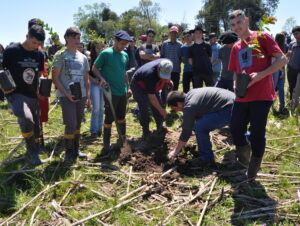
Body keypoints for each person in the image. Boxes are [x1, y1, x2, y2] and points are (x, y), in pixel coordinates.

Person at [228, 10, 288, 180]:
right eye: (233, 25)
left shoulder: (262, 37)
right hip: (242, 95)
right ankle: (244, 158)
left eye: (239, 22)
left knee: (256, 132)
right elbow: (235, 71)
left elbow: (283, 60)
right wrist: (235, 83)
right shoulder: (236, 47)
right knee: (235, 128)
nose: (237, 27)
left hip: (262, 95)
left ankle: (252, 172)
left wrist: (261, 74)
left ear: (246, 21)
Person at [2, 25, 46, 165]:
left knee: (36, 126)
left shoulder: (39, 54)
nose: (36, 46)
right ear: (27, 36)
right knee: (27, 119)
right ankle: (32, 153)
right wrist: (4, 87)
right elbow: (1, 70)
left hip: (32, 94)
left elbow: (38, 74)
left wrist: (40, 88)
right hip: (15, 93)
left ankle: (34, 150)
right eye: (34, 42)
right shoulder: (12, 50)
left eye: (39, 44)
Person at [166, 88, 235, 165]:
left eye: (174, 108)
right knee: (199, 123)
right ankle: (246, 142)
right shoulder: (191, 93)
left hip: (230, 109)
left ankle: (207, 159)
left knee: (200, 126)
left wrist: (176, 151)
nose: (176, 111)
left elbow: (186, 132)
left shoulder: (189, 106)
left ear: (179, 103)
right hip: (235, 101)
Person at [52, 27, 91, 164]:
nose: (76, 40)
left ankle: (76, 150)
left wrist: (88, 97)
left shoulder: (83, 58)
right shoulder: (60, 55)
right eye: (74, 37)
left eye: (78, 38)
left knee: (78, 123)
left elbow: (86, 79)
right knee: (70, 123)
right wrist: (67, 95)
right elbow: (55, 78)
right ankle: (68, 152)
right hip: (66, 96)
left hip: (81, 95)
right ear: (67, 38)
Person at [92, 30, 131, 153]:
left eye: (126, 44)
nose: (124, 46)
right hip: (110, 92)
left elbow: (124, 71)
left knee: (122, 117)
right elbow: (94, 68)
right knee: (109, 118)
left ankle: (122, 140)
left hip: (122, 91)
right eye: (122, 43)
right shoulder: (106, 53)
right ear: (116, 41)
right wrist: (102, 79)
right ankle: (106, 144)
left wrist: (128, 87)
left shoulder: (125, 55)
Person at [131, 59, 173, 139]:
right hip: (138, 86)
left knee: (158, 106)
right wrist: (162, 110)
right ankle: (146, 132)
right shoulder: (150, 75)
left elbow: (166, 72)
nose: (163, 77)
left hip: (151, 84)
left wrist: (168, 80)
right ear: (158, 68)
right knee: (144, 109)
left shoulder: (167, 64)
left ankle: (160, 127)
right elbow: (152, 98)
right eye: (162, 75)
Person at [89, 41, 106, 138]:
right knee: (96, 107)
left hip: (102, 84)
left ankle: (100, 128)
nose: (99, 50)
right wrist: (93, 80)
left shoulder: (104, 58)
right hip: (94, 83)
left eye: (101, 48)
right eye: (97, 48)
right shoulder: (90, 59)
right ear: (94, 49)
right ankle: (93, 130)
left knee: (101, 107)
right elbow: (86, 73)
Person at [160, 26, 182, 90]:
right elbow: (162, 56)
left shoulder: (180, 44)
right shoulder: (165, 44)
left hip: (176, 70)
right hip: (166, 70)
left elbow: (180, 58)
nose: (174, 34)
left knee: (175, 88)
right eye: (172, 32)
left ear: (177, 34)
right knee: (165, 88)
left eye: (175, 33)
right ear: (170, 33)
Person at [272, 33, 287, 112]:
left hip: (276, 69)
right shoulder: (283, 46)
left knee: (274, 88)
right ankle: (281, 105)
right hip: (279, 69)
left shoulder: (274, 45)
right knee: (280, 88)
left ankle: (272, 105)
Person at [287, 26, 300, 105]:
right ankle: (292, 102)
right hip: (292, 68)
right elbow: (288, 56)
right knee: (292, 85)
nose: (295, 35)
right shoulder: (292, 43)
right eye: (294, 34)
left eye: (297, 33)